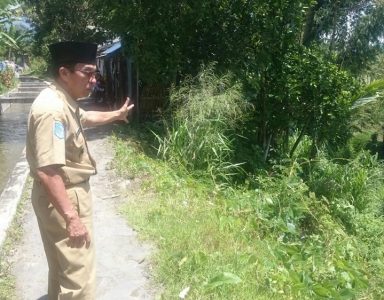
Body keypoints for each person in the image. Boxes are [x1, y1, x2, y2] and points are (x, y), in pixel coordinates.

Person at [26, 41, 134, 299]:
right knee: (79, 281)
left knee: (62, 270)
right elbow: (47, 170)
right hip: (64, 197)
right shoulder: (51, 110)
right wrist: (72, 218)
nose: (94, 80)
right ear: (64, 73)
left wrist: (116, 115)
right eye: (88, 72)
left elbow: (85, 117)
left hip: (60, 196)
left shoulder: (63, 100)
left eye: (95, 73)